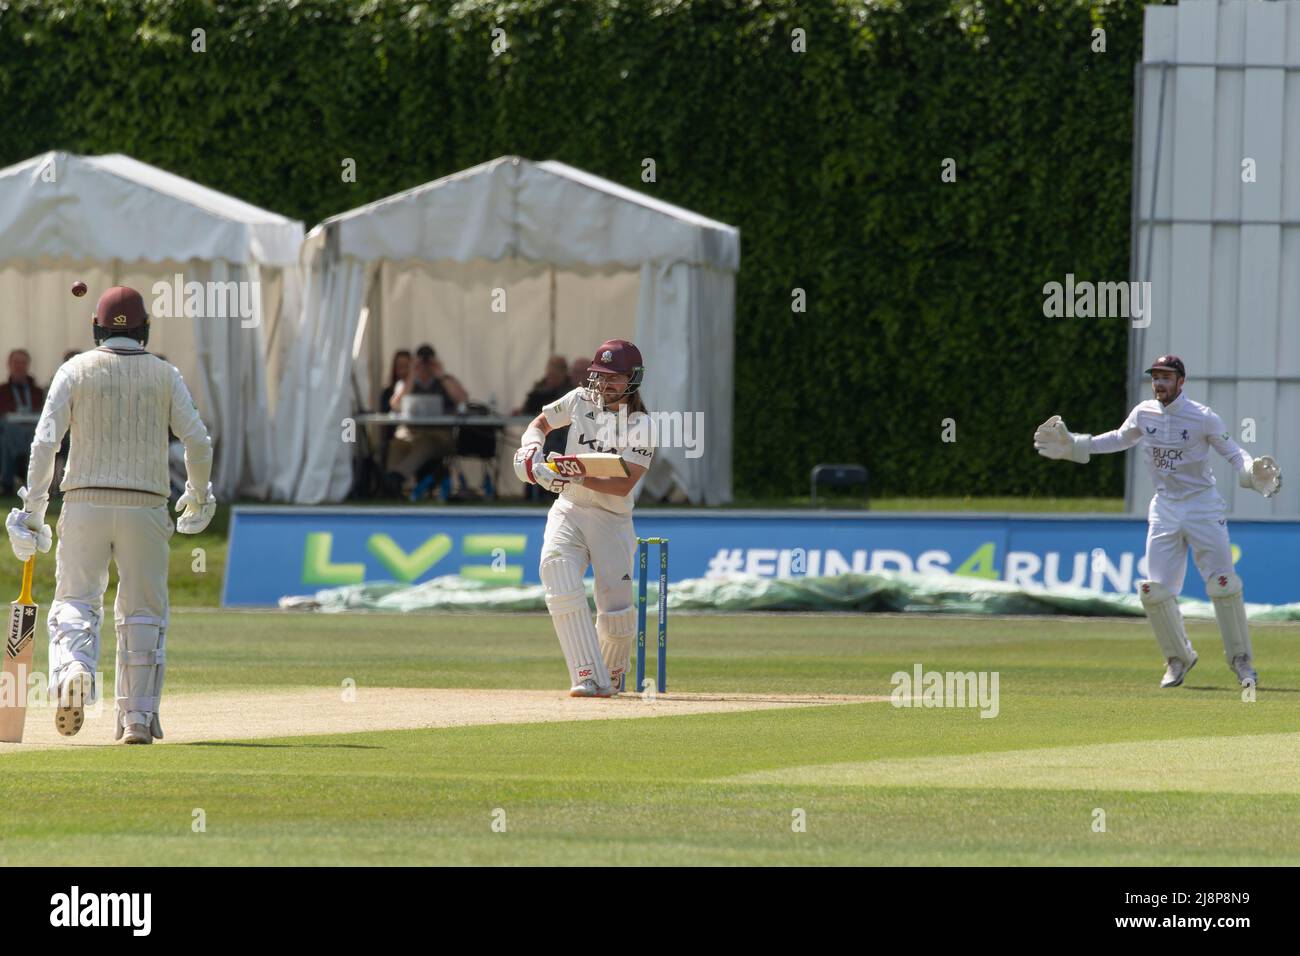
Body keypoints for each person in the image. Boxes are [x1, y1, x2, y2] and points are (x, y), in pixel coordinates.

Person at [5, 286, 214, 744]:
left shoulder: (75, 370)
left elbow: (45, 444)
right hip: (147, 505)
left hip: (84, 501)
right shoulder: (165, 374)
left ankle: (75, 669)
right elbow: (198, 442)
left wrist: (34, 509)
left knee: (77, 600)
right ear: (146, 330)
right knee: (143, 611)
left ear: (95, 328)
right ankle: (137, 719)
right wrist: (198, 495)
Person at [1034, 355, 1282, 689]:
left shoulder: (1203, 417)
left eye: (1166, 377)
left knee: (1223, 584)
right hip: (1164, 507)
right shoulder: (1143, 411)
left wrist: (1250, 473)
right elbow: (1121, 438)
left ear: (1181, 381)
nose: (1159, 383)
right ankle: (1178, 659)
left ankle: (1241, 661)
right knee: (1155, 591)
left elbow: (1235, 453)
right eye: (1156, 377)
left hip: (1202, 507)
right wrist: (1079, 445)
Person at [513, 339, 654, 697]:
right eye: (600, 376)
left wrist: (570, 474)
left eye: (614, 379)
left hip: (611, 520)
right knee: (555, 569)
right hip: (569, 508)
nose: (604, 386)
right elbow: (541, 422)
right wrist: (532, 447)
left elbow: (623, 485)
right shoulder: (579, 399)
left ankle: (613, 674)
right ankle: (587, 676)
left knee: (617, 612)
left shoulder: (643, 425)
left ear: (633, 380)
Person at [385, 344, 468, 495]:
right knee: (397, 444)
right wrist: (412, 375)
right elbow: (395, 404)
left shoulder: (446, 381)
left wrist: (441, 375)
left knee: (424, 442)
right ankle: (390, 486)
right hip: (411, 433)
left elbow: (463, 399)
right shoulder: (407, 383)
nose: (424, 366)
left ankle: (397, 477)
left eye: (428, 362)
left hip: (440, 436)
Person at [0, 349, 46, 496]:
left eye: (23, 363)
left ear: (28, 365)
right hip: (10, 434)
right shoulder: (2, 391)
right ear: (9, 365)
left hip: (34, 433)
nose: (19, 366)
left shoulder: (38, 392)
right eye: (16, 363)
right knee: (9, 434)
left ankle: (12, 480)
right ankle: (18, 475)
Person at [380, 349, 411, 413]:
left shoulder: (416, 391)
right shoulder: (387, 393)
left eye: (406, 366)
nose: (403, 370)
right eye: (400, 366)